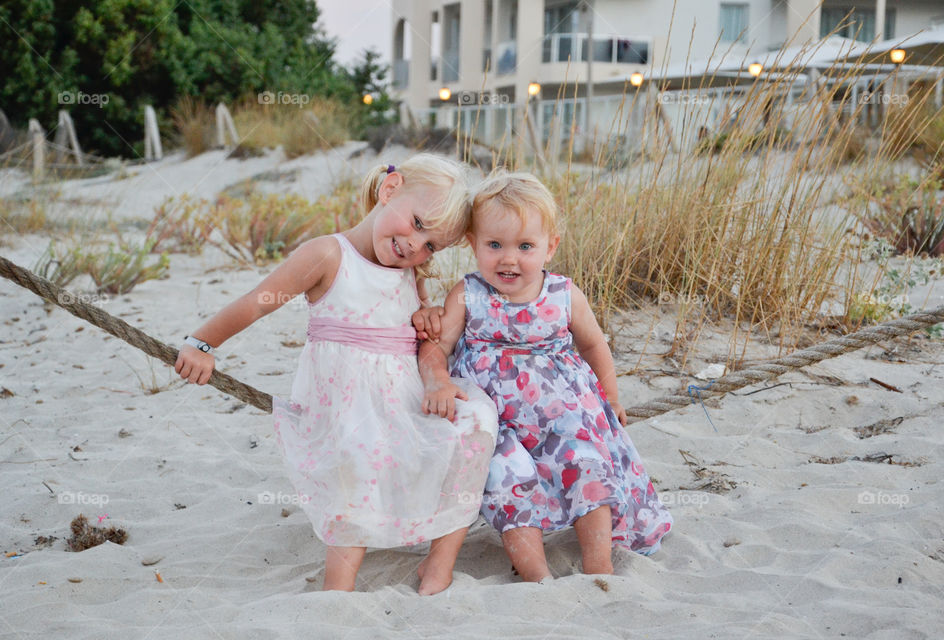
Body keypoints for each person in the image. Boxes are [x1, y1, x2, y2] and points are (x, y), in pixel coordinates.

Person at [174, 155, 498, 595]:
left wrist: (427, 324)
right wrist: (203, 343)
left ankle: (438, 565)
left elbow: (418, 339)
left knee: (475, 423)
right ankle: (337, 586)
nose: (415, 246)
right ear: (389, 190)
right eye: (417, 223)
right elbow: (259, 300)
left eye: (431, 245)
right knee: (359, 463)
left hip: (401, 394)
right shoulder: (328, 254)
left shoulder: (409, 272)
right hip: (346, 400)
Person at [416, 170, 672, 582]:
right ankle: (537, 576)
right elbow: (437, 346)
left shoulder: (563, 294)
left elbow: (593, 346)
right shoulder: (467, 295)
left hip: (563, 413)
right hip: (498, 423)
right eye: (494, 244)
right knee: (503, 476)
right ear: (473, 244)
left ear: (550, 247)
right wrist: (439, 381)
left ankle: (598, 565)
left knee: (585, 461)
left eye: (525, 246)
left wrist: (612, 397)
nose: (509, 258)